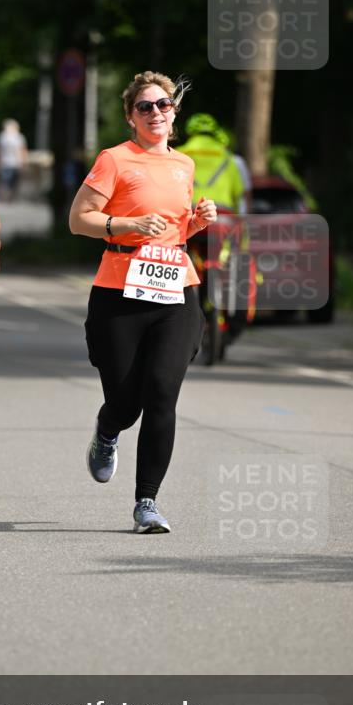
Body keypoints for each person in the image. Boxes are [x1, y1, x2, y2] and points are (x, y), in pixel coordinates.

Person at [69, 71, 216, 533]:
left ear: (175, 113)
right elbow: (79, 219)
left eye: (164, 105)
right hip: (119, 290)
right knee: (126, 401)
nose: (156, 113)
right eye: (145, 107)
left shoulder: (184, 165)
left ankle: (147, 503)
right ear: (131, 117)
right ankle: (108, 429)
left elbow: (171, 230)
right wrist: (126, 226)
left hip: (175, 289)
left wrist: (196, 222)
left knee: (161, 395)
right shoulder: (114, 160)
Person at [0, 119, 27, 200]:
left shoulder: (1, 137)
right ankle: (11, 197)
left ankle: (7, 196)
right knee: (11, 181)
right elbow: (22, 151)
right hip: (14, 163)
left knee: (5, 181)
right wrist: (23, 162)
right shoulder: (19, 137)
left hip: (5, 163)